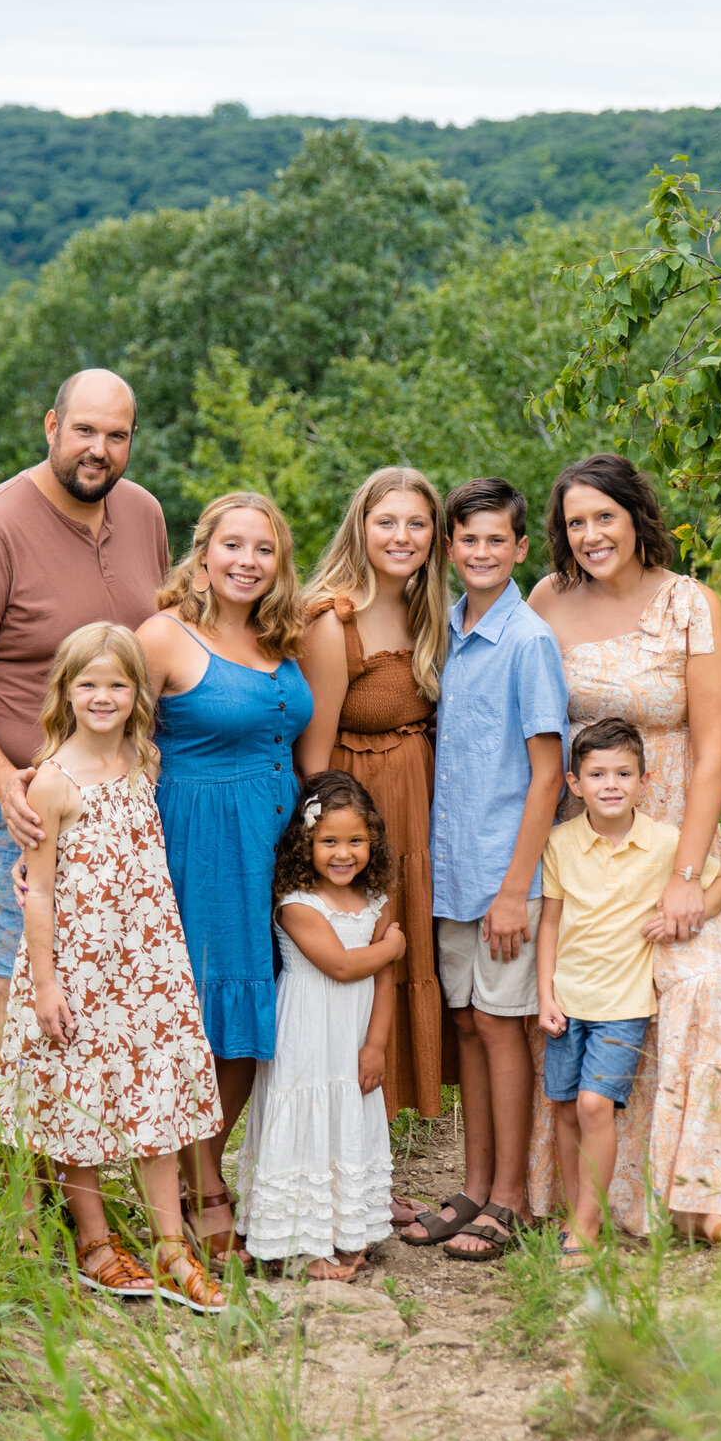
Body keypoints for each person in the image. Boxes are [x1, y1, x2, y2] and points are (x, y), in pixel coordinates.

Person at [527, 453, 721, 1241]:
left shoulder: (690, 604)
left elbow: (713, 751)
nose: (591, 533)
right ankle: (588, 1202)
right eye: (576, 521)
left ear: (638, 518)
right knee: (590, 990)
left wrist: (684, 874)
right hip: (584, 832)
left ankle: (704, 1191)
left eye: (605, 516)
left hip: (674, 826)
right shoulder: (547, 599)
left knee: (696, 978)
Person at [0, 368, 169, 1070]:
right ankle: (11, 1172)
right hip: (20, 791)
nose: (99, 448)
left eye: (116, 435)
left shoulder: (144, 514)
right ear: (52, 426)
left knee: (100, 973)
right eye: (85, 430)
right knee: (21, 973)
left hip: (118, 793)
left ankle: (75, 1156)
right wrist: (4, 780)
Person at [0, 622, 225, 1312]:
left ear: (136, 693)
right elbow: (36, 892)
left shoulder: (141, 757)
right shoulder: (53, 781)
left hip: (144, 959)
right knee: (80, 1097)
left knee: (155, 1093)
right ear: (64, 690)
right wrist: (47, 983)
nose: (102, 695)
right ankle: (94, 1242)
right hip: (78, 966)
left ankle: (170, 1244)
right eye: (87, 683)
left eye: (117, 683)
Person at [135, 492, 314, 1263]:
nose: (247, 561)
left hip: (274, 842)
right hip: (196, 838)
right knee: (199, 1014)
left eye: (264, 549)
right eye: (233, 545)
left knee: (255, 1017)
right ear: (202, 552)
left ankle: (201, 1169)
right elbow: (109, 734)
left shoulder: (286, 635)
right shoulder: (164, 636)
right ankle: (201, 1189)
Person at [403, 478, 568, 1261]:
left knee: (503, 1029)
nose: (480, 552)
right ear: (449, 548)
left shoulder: (527, 639)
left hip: (507, 880)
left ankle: (509, 1196)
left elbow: (546, 774)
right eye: (467, 540)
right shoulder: (450, 631)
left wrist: (514, 890)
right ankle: (472, 1185)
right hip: (454, 871)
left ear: (521, 548)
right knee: (467, 1022)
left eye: (496, 540)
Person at [297, 467, 450, 1221]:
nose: (402, 537)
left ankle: (373, 1170)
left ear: (435, 536)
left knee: (399, 974)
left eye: (417, 524)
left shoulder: (432, 613)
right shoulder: (334, 622)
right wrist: (334, 862)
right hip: (359, 814)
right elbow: (314, 758)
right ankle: (335, 1175)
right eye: (387, 522)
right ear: (361, 527)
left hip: (418, 810)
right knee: (355, 980)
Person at [538, 717, 721, 1260]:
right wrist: (546, 996)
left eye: (624, 773)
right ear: (575, 784)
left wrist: (681, 915)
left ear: (644, 782)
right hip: (567, 1001)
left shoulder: (663, 842)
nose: (611, 784)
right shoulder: (559, 843)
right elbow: (550, 924)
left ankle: (589, 1225)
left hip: (623, 1006)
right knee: (563, 1108)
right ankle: (572, 1209)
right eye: (597, 773)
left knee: (595, 1105)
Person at [238, 772, 405, 1281]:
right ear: (305, 842)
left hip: (353, 1037)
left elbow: (384, 982)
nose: (343, 853)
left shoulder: (376, 899)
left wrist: (375, 1043)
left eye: (355, 841)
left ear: (371, 842)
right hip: (307, 1036)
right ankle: (296, 1245)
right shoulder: (296, 904)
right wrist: (394, 946)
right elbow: (340, 965)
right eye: (328, 841)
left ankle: (343, 1229)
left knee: (345, 1123)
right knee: (304, 1126)